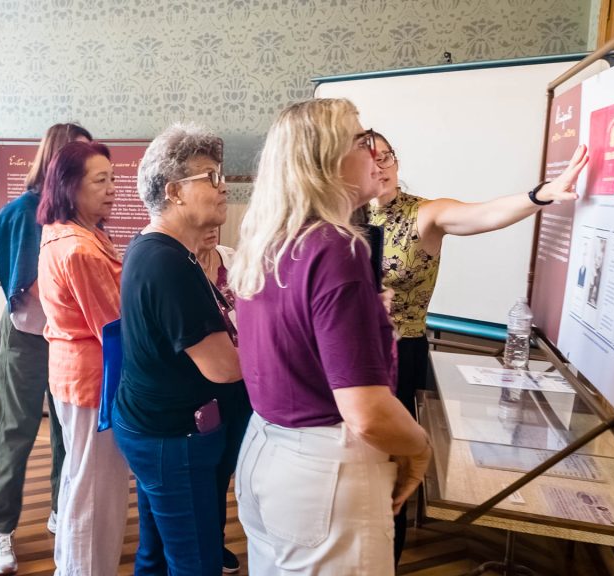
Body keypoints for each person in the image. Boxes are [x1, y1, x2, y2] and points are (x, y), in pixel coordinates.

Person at [363, 130, 587, 562]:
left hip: (399, 356)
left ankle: (384, 560)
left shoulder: (424, 214)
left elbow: (483, 214)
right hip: (345, 357)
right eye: (369, 158)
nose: (380, 166)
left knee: (390, 467)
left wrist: (540, 195)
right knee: (354, 462)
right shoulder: (340, 217)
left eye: (387, 156)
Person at [229, 98, 431, 575]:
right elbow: (366, 413)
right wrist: (419, 447)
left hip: (265, 451)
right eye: (363, 141)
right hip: (323, 469)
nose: (376, 154)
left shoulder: (269, 239)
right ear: (327, 160)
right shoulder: (337, 248)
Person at [114, 123, 244, 576]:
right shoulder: (169, 263)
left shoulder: (158, 250)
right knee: (195, 564)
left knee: (154, 556)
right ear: (173, 191)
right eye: (210, 177)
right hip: (172, 437)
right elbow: (225, 368)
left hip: (152, 427)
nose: (223, 186)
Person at [0, 123, 90, 574]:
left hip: (70, 338)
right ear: (57, 158)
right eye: (80, 156)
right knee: (14, 433)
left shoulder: (82, 212)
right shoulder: (23, 210)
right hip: (26, 337)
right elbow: (5, 272)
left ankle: (60, 509)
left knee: (69, 431)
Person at [36, 140, 129, 576]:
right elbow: (115, 323)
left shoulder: (71, 233)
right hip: (95, 380)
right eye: (100, 180)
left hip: (78, 375)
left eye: (112, 178)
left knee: (82, 479)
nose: (112, 189)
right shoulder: (80, 248)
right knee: (96, 491)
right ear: (70, 187)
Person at [196, 226, 249, 572]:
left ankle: (215, 539)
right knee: (208, 468)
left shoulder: (231, 259)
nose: (211, 231)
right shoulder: (180, 267)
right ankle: (208, 543)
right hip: (205, 381)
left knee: (228, 464)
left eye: (214, 224)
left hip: (243, 380)